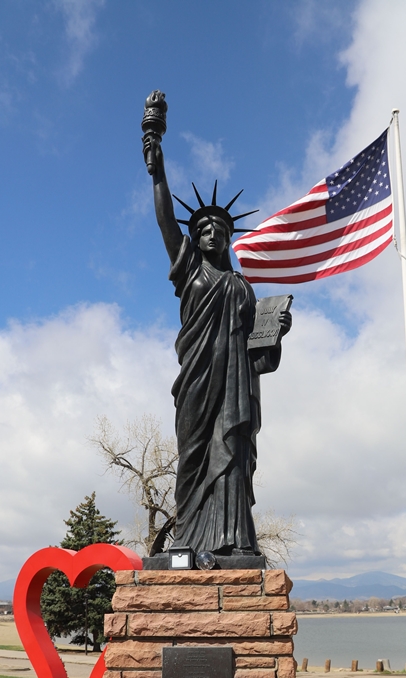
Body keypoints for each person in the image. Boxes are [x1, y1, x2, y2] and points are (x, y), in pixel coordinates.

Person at [147, 140, 291, 558]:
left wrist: (276, 331)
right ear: (196, 238)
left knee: (232, 457)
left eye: (219, 230)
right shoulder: (190, 268)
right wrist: (156, 166)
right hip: (197, 379)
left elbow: (257, 351)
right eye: (204, 229)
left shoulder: (243, 286)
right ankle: (188, 542)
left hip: (234, 387)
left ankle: (233, 540)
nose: (212, 234)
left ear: (229, 237)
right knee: (191, 458)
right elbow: (164, 222)